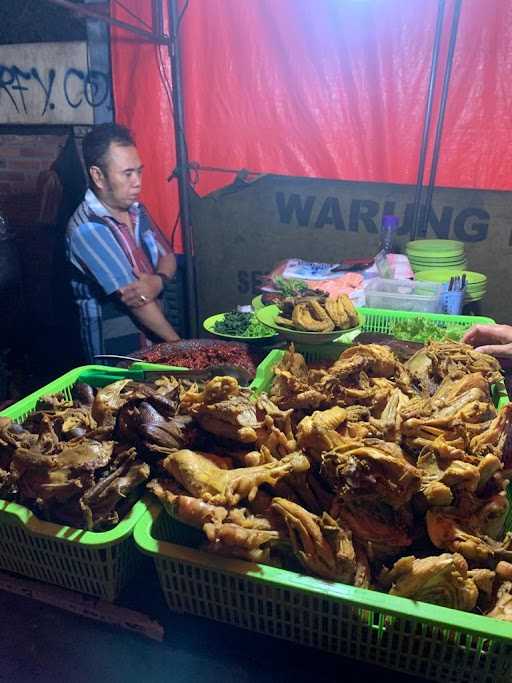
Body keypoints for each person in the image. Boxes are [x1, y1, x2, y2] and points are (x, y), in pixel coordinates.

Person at [66, 123, 180, 363]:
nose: (137, 182)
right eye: (127, 174)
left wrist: (158, 281)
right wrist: (179, 347)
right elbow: (136, 301)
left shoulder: (137, 210)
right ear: (98, 176)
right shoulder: (88, 228)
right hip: (119, 355)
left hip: (155, 342)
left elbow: (167, 256)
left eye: (139, 171)